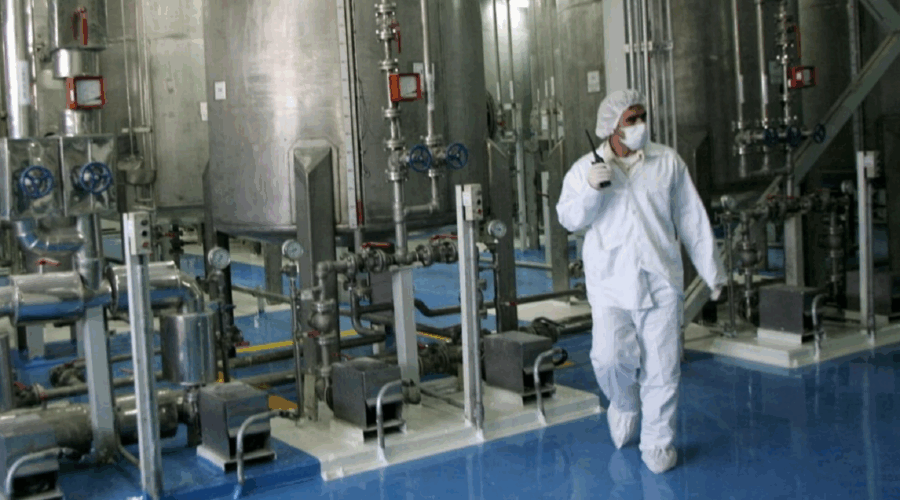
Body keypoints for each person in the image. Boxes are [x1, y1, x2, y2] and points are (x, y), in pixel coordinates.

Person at [556, 89, 725, 474]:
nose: (640, 126)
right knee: (608, 358)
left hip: (660, 277)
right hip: (610, 282)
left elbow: (691, 219)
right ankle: (624, 402)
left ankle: (658, 443)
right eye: (631, 120)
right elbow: (569, 219)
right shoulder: (586, 168)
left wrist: (712, 271)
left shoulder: (668, 162)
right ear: (611, 127)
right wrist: (591, 191)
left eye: (642, 117)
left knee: (663, 368)